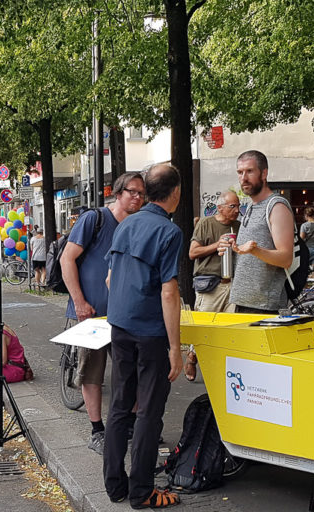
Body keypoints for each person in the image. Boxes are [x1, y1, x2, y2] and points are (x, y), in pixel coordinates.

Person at [104, 162, 184, 509]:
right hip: (150, 332)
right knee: (149, 411)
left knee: (121, 405)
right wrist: (177, 346)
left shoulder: (126, 224)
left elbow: (110, 280)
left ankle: (115, 486)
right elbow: (169, 292)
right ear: (175, 194)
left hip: (119, 326)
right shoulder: (170, 232)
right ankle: (142, 491)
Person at [60, 171, 145, 455]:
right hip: (91, 314)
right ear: (118, 193)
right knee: (92, 373)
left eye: (142, 193)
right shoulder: (94, 219)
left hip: (125, 315)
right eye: (132, 191)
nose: (137, 197)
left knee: (129, 372)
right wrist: (80, 302)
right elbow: (67, 258)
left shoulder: (137, 225)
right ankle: (97, 430)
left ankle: (130, 427)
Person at [227, 150, 295, 315]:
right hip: (242, 302)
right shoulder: (250, 206)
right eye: (240, 172)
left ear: (264, 173)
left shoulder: (276, 206)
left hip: (265, 306)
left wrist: (255, 250)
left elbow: (286, 258)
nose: (243, 178)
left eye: (249, 171)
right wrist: (230, 248)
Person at [185, 190, 241, 381]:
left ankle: (220, 369)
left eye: (238, 206)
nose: (237, 210)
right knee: (205, 327)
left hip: (233, 284)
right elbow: (193, 253)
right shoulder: (206, 224)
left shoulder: (238, 227)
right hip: (210, 285)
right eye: (232, 206)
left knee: (227, 329)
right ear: (220, 207)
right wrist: (217, 245)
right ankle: (193, 356)